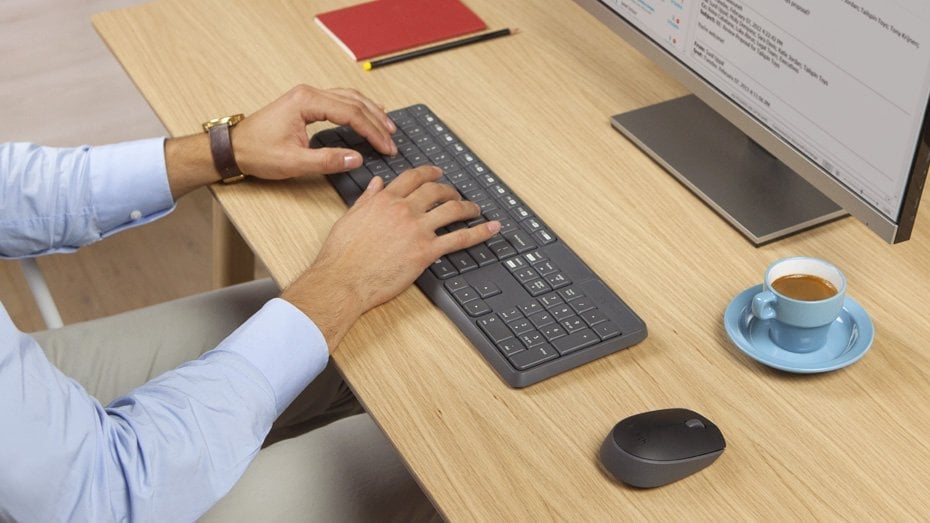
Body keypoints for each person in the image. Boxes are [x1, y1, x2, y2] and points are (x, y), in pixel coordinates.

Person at [0, 84, 500, 521]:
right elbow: (105, 495)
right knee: (461, 446)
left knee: (372, 341)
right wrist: (341, 283)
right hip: (99, 494)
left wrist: (225, 149)